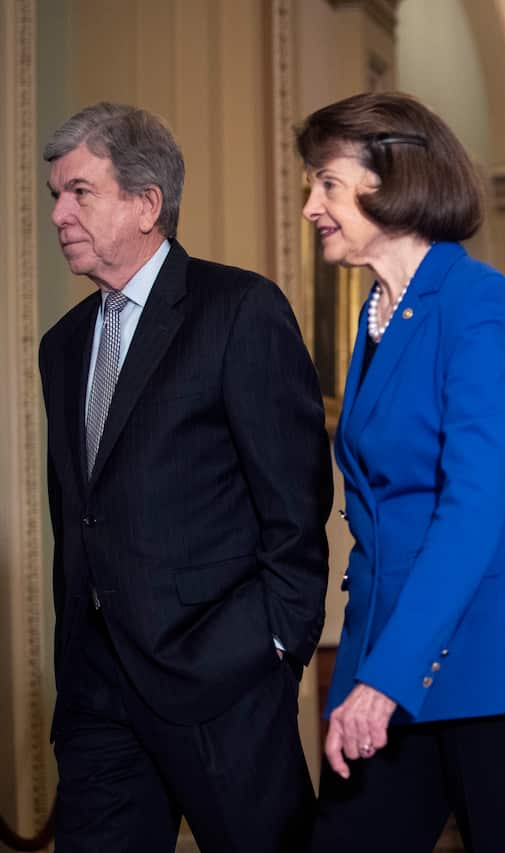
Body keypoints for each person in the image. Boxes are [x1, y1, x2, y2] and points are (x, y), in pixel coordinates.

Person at [298, 92, 505, 853]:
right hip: (399, 658)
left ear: (390, 180)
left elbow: (474, 506)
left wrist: (382, 679)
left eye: (326, 183)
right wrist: (362, 677)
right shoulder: (377, 315)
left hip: (494, 659)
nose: (311, 206)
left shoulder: (475, 301)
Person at [39, 103, 332, 852]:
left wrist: (273, 642)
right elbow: (78, 514)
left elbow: (295, 501)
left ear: (145, 203)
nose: (59, 214)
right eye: (54, 196)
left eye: (79, 192)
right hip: (98, 691)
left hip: (221, 679)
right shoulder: (64, 344)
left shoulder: (237, 310)